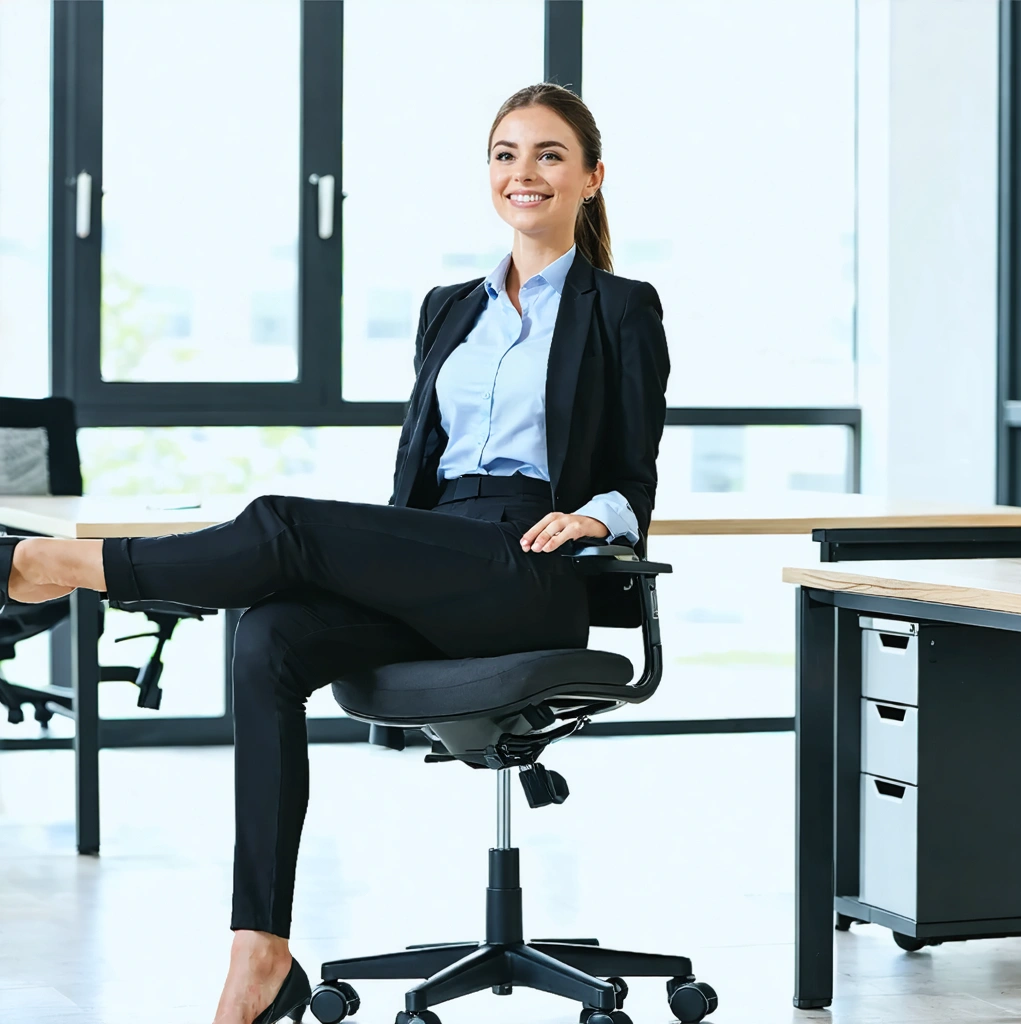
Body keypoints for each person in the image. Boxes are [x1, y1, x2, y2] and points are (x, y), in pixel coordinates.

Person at [0, 82, 669, 1024]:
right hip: (441, 552)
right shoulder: (450, 308)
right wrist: (385, 564)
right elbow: (418, 477)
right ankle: (259, 952)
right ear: (489, 174)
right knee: (268, 635)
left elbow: (635, 479)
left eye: (551, 155)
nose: (526, 173)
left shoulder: (621, 309)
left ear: (591, 178)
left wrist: (595, 520)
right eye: (506, 153)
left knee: (284, 523)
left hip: (532, 565)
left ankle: (57, 568)